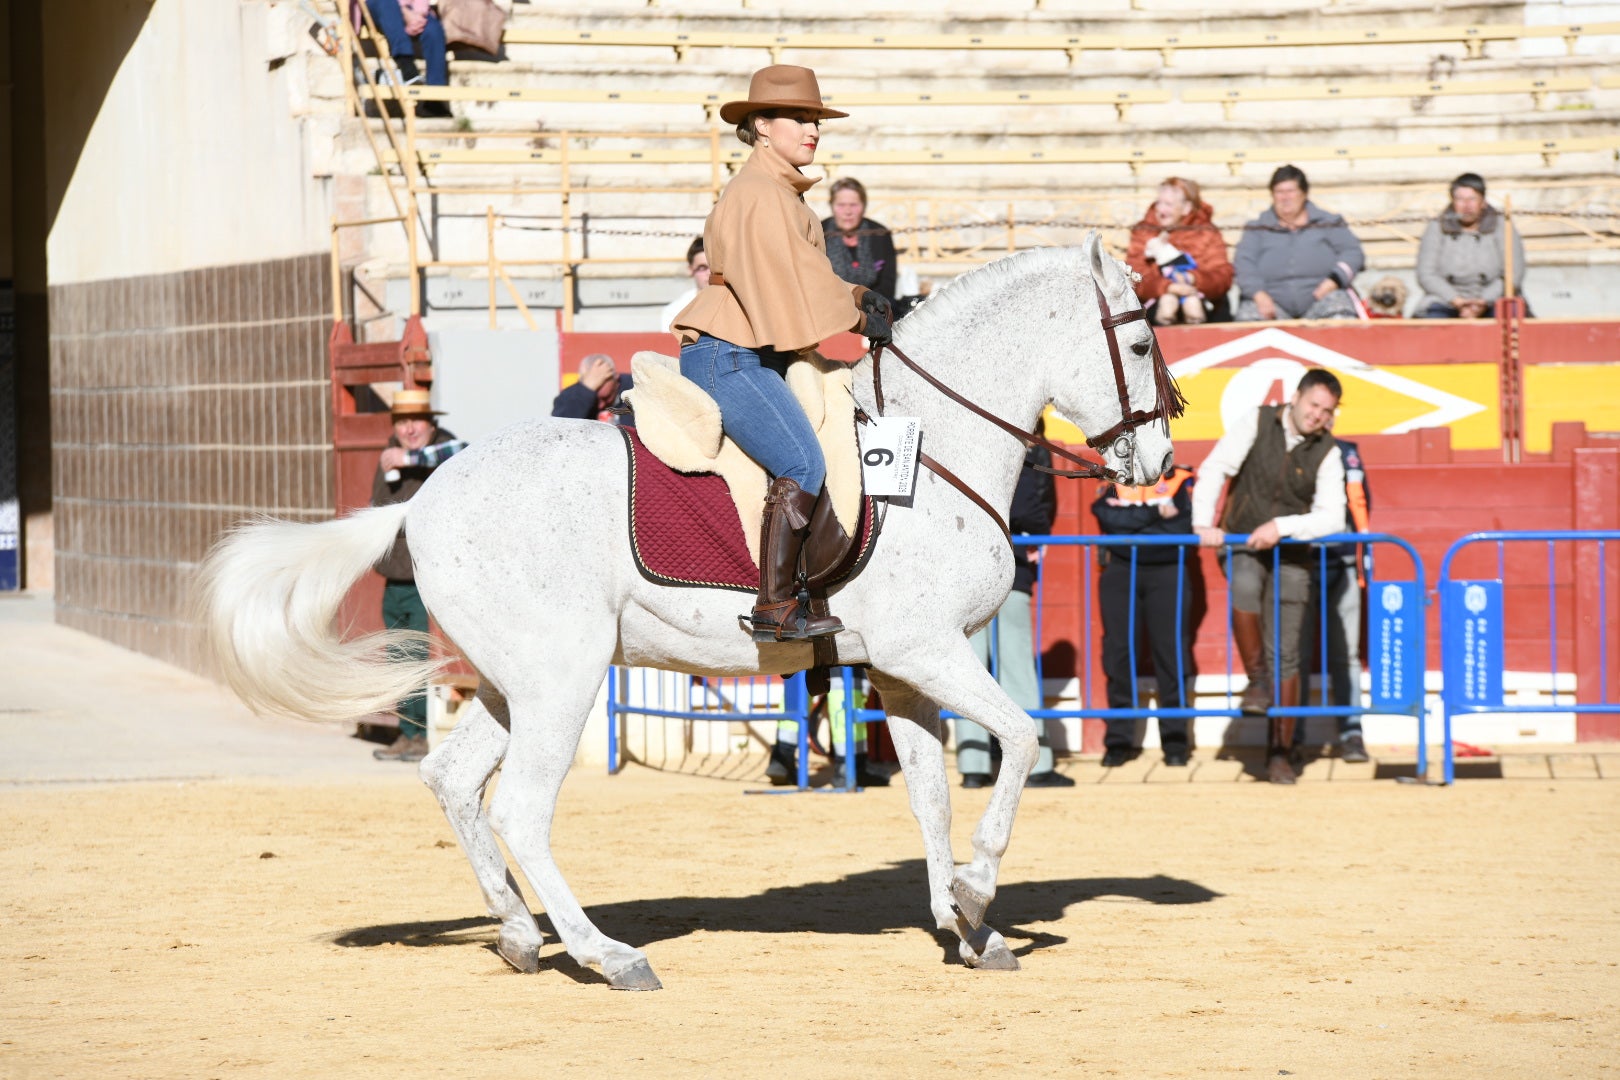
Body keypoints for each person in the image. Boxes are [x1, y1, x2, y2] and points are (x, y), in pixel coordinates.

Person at [671, 65, 894, 643]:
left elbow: (801, 275)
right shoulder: (760, 193)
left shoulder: (774, 191)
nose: (812, 128)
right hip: (729, 355)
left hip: (741, 352)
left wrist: (856, 295)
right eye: (799, 118)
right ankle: (773, 605)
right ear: (763, 126)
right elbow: (785, 279)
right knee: (803, 463)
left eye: (815, 118)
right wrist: (852, 314)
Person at [1192, 369, 1347, 785]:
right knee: (1243, 584)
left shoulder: (1328, 451)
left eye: (1326, 411)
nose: (1317, 416)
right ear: (1295, 398)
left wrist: (1282, 527)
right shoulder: (1257, 421)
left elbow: (1334, 517)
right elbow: (1215, 468)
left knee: (1288, 653)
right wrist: (1203, 524)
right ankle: (1257, 681)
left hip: (1292, 554)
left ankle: (1281, 750)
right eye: (1313, 405)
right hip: (1242, 541)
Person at [957, 434, 1073, 789]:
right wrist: (1032, 534)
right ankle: (1035, 766)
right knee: (1017, 667)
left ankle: (973, 762)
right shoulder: (1032, 452)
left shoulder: (967, 441)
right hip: (1010, 562)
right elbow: (1035, 511)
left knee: (969, 670)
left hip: (963, 565)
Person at [369, 388, 466, 762]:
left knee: (425, 655)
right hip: (395, 573)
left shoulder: (444, 449)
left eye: (416, 422)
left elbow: (456, 451)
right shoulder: (389, 455)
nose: (409, 429)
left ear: (430, 423)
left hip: (428, 576)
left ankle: (425, 734)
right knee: (399, 657)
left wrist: (407, 457)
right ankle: (408, 732)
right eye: (402, 422)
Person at [1092, 466, 1197, 768]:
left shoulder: (1179, 477)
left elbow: (1181, 528)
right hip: (1120, 571)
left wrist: (1133, 520)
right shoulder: (1115, 477)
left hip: (1168, 571)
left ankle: (1176, 741)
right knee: (1118, 654)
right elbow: (1108, 519)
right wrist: (1155, 513)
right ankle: (1119, 740)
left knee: (1172, 655)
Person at [1297, 420, 1372, 763]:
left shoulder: (1348, 453)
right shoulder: (1291, 451)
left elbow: (1361, 507)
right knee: (1291, 655)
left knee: (1346, 655)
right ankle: (1291, 734)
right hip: (1298, 563)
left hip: (1341, 561)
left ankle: (1352, 731)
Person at [1233, 166, 1365, 322]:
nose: (1285, 197)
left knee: (1341, 310)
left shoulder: (1328, 222)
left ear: (1304, 194)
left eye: (1290, 191)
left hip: (1322, 300)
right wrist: (1258, 294)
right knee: (1248, 317)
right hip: (1271, 305)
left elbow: (1353, 253)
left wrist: (1334, 281)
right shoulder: (1257, 228)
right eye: (1279, 192)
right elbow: (1243, 263)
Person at [1414, 173, 1527, 319]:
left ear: (1483, 201)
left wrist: (1482, 302)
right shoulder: (1437, 226)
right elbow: (1426, 274)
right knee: (1432, 324)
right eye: (1460, 199)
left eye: (1472, 199)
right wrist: (1456, 300)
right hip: (1445, 299)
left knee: (1510, 320)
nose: (1466, 206)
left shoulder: (1502, 225)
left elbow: (1514, 273)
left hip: (1494, 298)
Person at [1125, 177, 1235, 325]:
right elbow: (1134, 275)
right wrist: (1167, 287)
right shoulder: (1144, 231)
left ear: (1186, 208)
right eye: (1159, 203)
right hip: (1155, 301)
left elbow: (1222, 276)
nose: (1161, 210)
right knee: (1166, 304)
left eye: (1168, 204)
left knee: (1197, 305)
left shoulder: (1207, 232)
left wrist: (1193, 279)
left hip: (1200, 297)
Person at [365, 0, 452, 118]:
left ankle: (435, 98)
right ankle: (407, 66)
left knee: (433, 31)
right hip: (378, 4)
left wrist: (419, 14)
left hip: (412, 7)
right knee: (387, 5)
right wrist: (404, 12)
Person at [821, 177, 899, 306]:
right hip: (830, 307)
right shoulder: (820, 232)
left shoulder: (880, 234)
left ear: (863, 206)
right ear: (832, 206)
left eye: (853, 205)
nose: (848, 212)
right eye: (841, 205)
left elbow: (888, 283)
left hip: (873, 308)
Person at [552, 354, 633, 425]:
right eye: (595, 400)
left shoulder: (636, 389)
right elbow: (559, 429)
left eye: (605, 398)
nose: (600, 406)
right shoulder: (569, 397)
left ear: (616, 377)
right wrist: (586, 391)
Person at [658, 238, 711, 332]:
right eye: (702, 267)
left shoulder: (736, 305)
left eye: (713, 266)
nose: (709, 273)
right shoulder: (675, 311)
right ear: (690, 270)